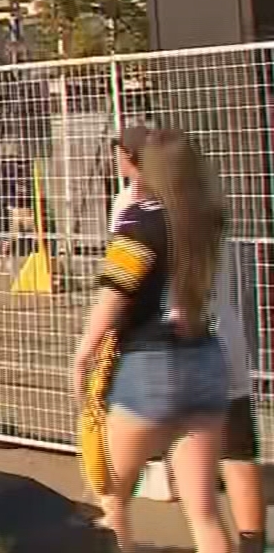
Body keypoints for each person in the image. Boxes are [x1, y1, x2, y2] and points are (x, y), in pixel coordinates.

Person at [72, 128, 231, 553]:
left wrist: (84, 352)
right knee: (203, 511)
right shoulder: (209, 220)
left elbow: (114, 293)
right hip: (207, 361)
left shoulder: (139, 225)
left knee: (111, 497)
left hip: (148, 365)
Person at [106, 129, 264, 552]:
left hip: (157, 353)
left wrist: (91, 348)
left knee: (110, 488)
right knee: (217, 485)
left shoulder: (138, 214)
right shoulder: (211, 211)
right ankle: (253, 540)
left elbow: (118, 287)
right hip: (214, 347)